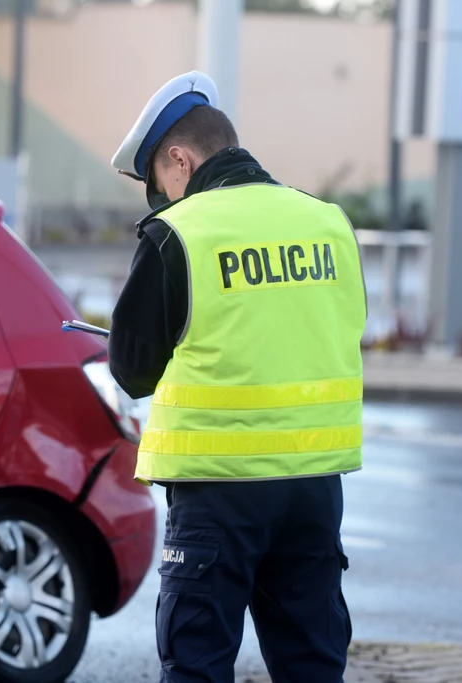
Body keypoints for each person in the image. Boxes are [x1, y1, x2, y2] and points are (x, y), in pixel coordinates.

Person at [108, 71, 367, 683]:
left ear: (179, 158)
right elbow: (334, 326)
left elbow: (132, 369)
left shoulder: (180, 231)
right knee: (312, 664)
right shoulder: (328, 223)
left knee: (196, 665)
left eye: (159, 185)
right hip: (313, 486)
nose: (164, 200)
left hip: (218, 489)